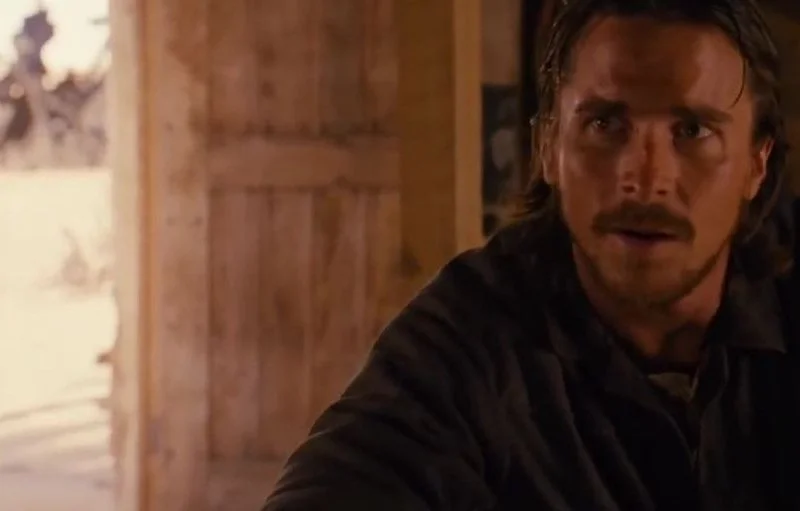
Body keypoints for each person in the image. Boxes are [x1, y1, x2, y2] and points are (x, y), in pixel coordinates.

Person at [262, 0, 800, 509]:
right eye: (605, 124)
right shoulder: (473, 334)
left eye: (692, 131)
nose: (644, 179)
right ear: (548, 146)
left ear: (757, 162)